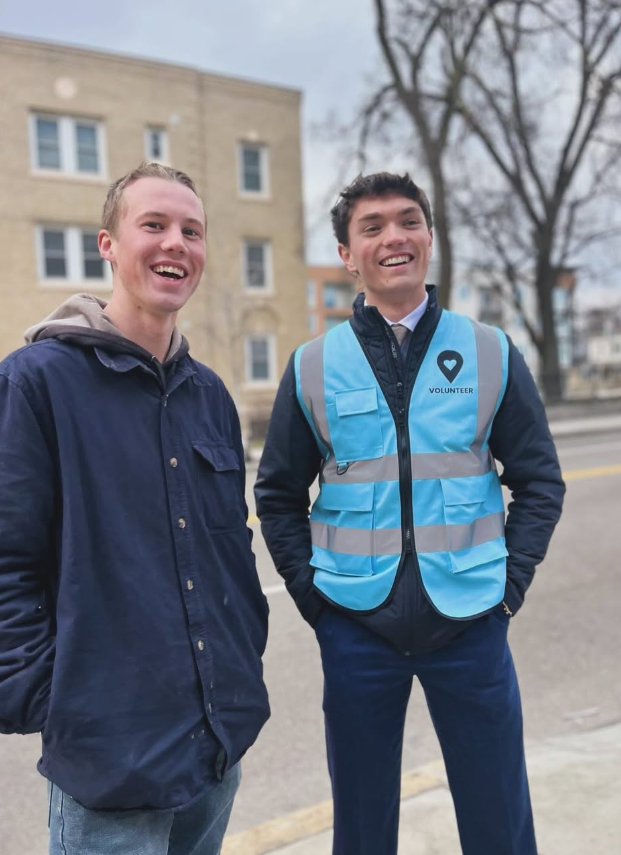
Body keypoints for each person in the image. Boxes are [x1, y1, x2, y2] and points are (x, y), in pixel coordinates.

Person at [255, 172, 565, 855]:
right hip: (356, 627)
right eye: (371, 227)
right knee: (362, 828)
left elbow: (539, 480)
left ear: (428, 236)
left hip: (472, 621)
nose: (393, 237)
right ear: (347, 254)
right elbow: (276, 494)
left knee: (499, 819)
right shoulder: (312, 366)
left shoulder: (489, 351)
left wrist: (508, 586)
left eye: (407, 221)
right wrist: (316, 602)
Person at [0, 162, 269, 855]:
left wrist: (243, 656)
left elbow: (229, 543)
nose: (175, 243)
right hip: (108, 760)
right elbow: (6, 556)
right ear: (108, 245)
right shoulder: (37, 382)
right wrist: (49, 699)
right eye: (153, 225)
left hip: (213, 741)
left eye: (191, 230)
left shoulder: (208, 393)